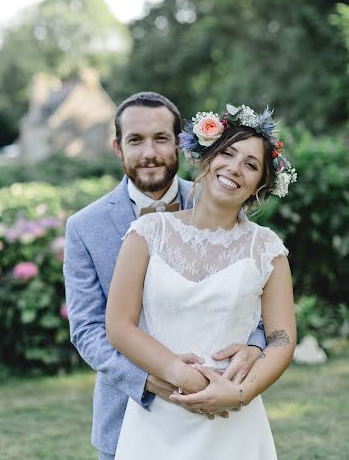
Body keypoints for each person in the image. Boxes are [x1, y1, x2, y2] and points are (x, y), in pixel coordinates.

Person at [64, 93, 267, 460]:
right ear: (117, 147)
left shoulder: (222, 199)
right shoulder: (84, 227)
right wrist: (150, 380)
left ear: (180, 143)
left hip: (218, 405)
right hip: (129, 411)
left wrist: (253, 348)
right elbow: (87, 328)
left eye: (160, 138)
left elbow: (251, 289)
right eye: (135, 140)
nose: (149, 153)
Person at [106, 103, 297, 459]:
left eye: (251, 164)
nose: (235, 168)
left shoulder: (267, 249)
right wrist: (185, 377)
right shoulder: (148, 233)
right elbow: (118, 326)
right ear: (205, 157)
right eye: (228, 153)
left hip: (233, 417)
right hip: (159, 417)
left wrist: (239, 393)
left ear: (260, 185)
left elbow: (281, 340)